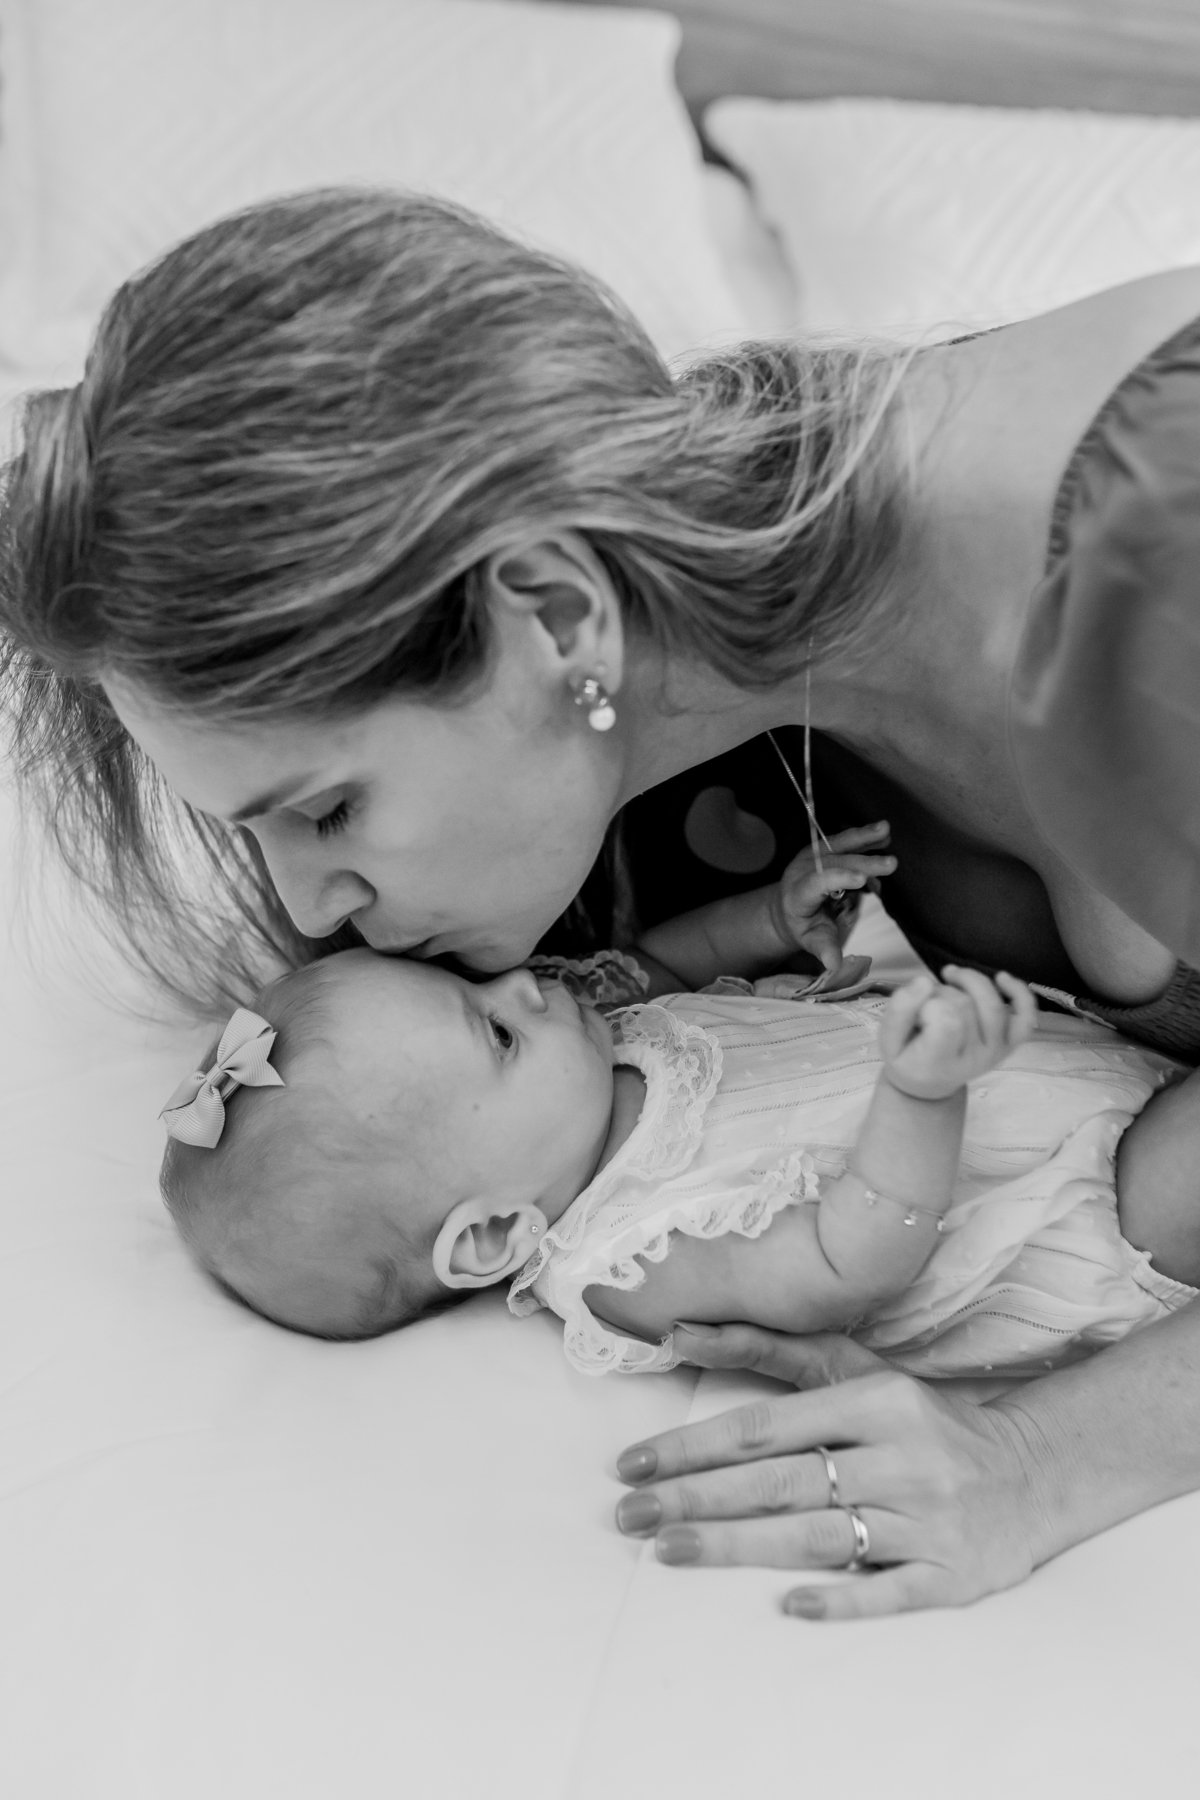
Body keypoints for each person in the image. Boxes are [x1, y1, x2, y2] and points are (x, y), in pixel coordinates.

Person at [3, 187, 1200, 1616]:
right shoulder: (685, 789)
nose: (316, 912)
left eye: (327, 810)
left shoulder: (1147, 568)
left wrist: (1044, 1456)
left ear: (559, 618)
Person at [155, 837, 1196, 1421]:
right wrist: (920, 1095)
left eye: (468, 990)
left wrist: (770, 920)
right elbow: (849, 1261)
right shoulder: (630, 1259)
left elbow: (666, 964)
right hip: (1064, 1214)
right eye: (495, 1034)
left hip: (1045, 1075)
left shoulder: (579, 1047)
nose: (520, 985)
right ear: (492, 1235)